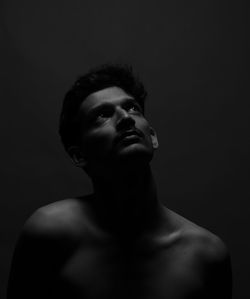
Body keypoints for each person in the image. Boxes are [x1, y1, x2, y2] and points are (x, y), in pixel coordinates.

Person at [7, 64, 232, 299]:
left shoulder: (206, 255)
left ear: (152, 137)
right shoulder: (49, 233)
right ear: (79, 154)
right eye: (102, 115)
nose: (126, 118)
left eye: (132, 108)